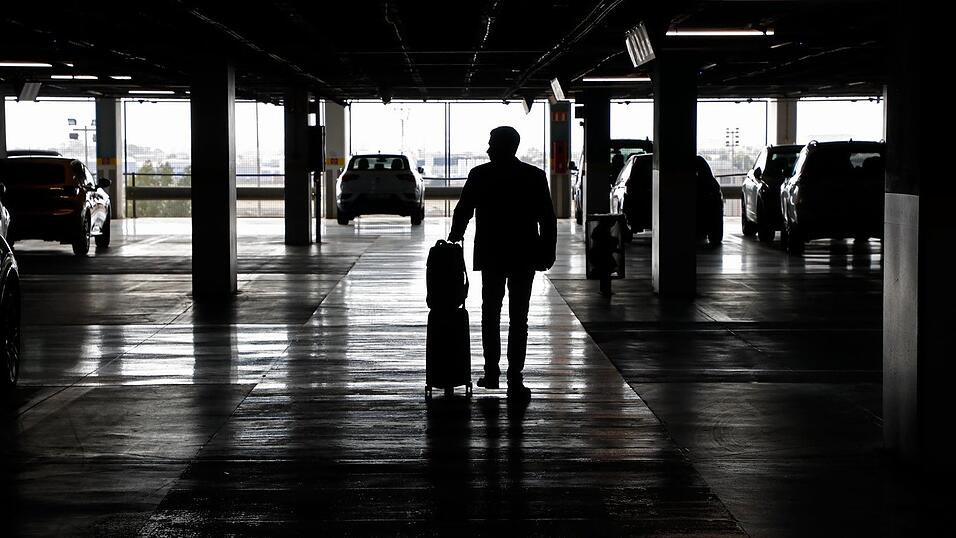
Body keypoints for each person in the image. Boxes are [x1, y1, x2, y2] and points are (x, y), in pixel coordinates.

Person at [447, 126, 557, 399]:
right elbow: (547, 218)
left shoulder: (481, 175)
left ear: (503, 146)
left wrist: (454, 239)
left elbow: (464, 210)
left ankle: (492, 372)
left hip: (492, 253)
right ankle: (515, 378)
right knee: (519, 317)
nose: (487, 148)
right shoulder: (533, 176)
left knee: (490, 314)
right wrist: (547, 252)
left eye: (491, 143)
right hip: (524, 254)